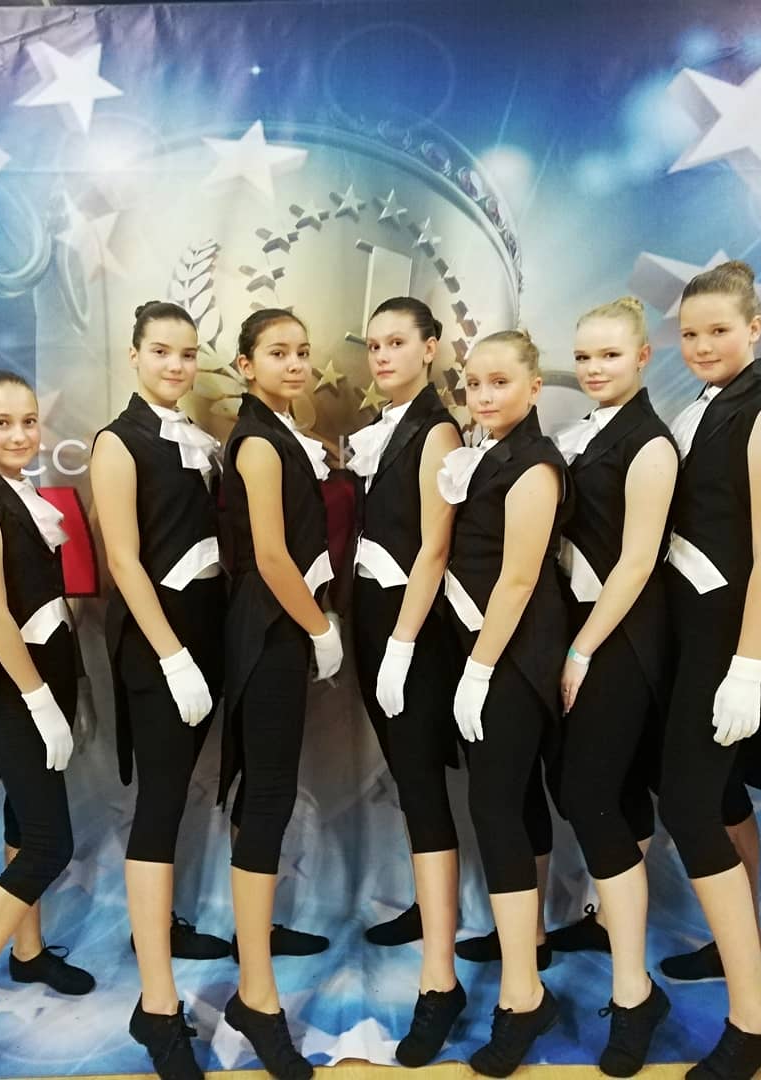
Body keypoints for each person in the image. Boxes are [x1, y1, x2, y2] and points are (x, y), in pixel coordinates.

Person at [657, 261, 761, 1078]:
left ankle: (755, 1018)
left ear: (754, 329)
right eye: (690, 333)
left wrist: (748, 668)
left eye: (719, 330)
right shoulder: (703, 406)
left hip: (725, 644)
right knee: (713, 798)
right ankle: (740, 952)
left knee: (689, 804)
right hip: (687, 635)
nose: (704, 345)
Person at [90, 301, 228, 1078]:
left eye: (187, 352)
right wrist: (172, 656)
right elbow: (123, 560)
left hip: (204, 638)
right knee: (161, 806)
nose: (176, 365)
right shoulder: (119, 441)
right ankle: (157, 1005)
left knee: (174, 801)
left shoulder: (192, 438)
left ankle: (164, 929)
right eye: (162, 351)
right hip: (159, 648)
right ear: (135, 354)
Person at [547, 296, 676, 1075]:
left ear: (643, 357)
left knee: (589, 793)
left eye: (610, 355)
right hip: (588, 631)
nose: (595, 369)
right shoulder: (590, 432)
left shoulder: (650, 443)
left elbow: (636, 562)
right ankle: (603, 922)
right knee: (610, 794)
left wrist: (582, 650)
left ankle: (635, 992)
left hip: (620, 640)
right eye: (585, 356)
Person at [438, 329, 570, 1077]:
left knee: (494, 810)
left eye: (499, 382)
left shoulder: (535, 464)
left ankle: (523, 997)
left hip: (513, 658)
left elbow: (518, 579)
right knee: (513, 804)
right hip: (487, 652)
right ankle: (529, 947)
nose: (483, 396)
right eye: (474, 384)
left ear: (534, 386)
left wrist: (481, 669)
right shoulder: (489, 453)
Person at [219, 308, 343, 1080]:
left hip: (277, 629)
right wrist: (319, 628)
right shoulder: (260, 441)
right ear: (245, 364)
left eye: (302, 351)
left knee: (265, 793)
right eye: (277, 352)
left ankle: (255, 949)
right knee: (267, 797)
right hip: (268, 629)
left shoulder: (282, 433)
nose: (295, 364)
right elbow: (270, 555)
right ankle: (255, 997)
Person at [0, 371, 95, 1057]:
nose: (19, 435)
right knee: (49, 843)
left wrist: (64, 690)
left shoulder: (22, 495)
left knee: (23, 820)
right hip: (16, 691)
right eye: (2, 422)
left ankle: (28, 951)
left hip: (44, 682)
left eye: (29, 421)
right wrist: (40, 701)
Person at [348, 296, 464, 1065]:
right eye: (374, 344)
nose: (383, 355)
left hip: (409, 630)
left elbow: (433, 548)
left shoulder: (436, 431)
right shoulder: (386, 427)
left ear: (430, 348)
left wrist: (401, 644)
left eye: (398, 342)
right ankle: (430, 913)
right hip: (373, 622)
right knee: (408, 779)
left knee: (422, 787)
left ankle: (439, 981)